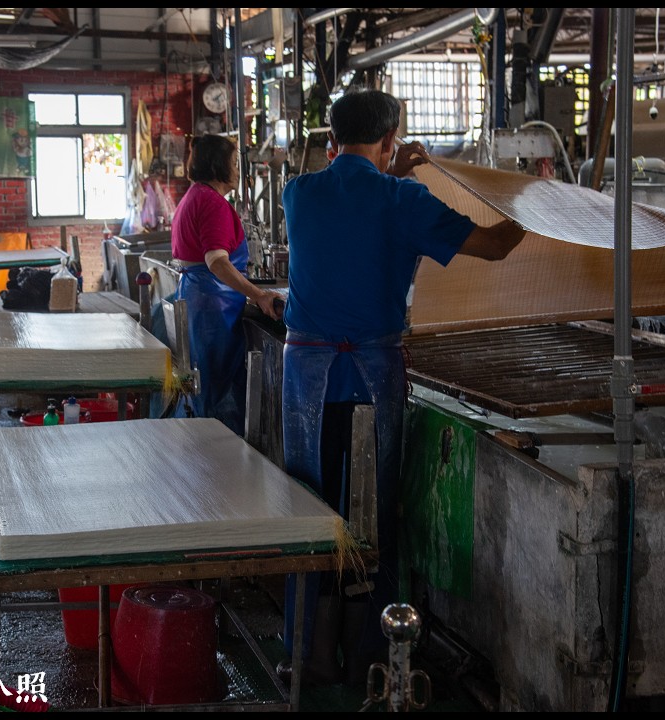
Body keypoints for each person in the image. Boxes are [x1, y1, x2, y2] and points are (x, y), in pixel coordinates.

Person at [279, 88, 525, 686]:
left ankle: (307, 651)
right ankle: (373, 655)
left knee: (306, 509)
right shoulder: (403, 200)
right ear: (391, 140)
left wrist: (397, 167)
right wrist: (529, 206)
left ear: (331, 140)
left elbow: (351, 200)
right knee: (378, 517)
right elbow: (495, 244)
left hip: (306, 376)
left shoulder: (297, 193)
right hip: (370, 376)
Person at [170, 134, 284, 434]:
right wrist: (258, 294)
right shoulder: (212, 203)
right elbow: (217, 262)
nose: (237, 169)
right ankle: (222, 464)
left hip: (200, 299)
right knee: (218, 393)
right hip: (213, 307)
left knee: (205, 388)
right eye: (234, 163)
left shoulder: (193, 196)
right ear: (218, 165)